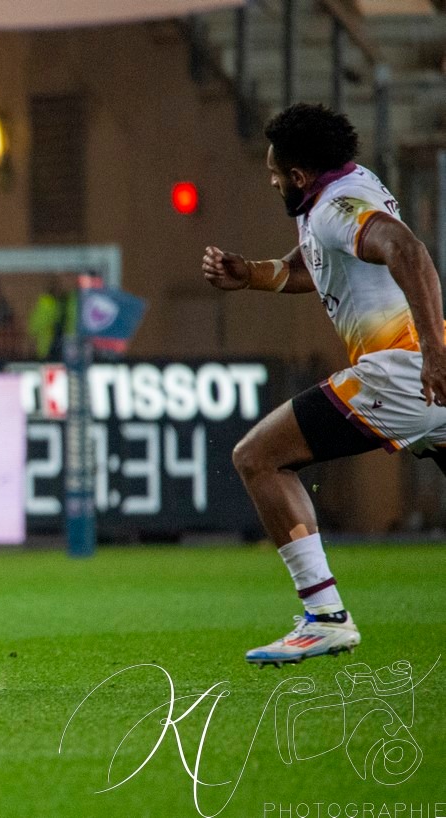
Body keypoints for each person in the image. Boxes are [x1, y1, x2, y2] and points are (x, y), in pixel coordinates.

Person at [202, 103, 446, 667]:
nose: (271, 182)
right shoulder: (339, 193)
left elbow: (408, 251)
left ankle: (325, 617)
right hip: (424, 375)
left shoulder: (336, 207)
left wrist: (432, 353)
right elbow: (313, 264)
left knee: (258, 457)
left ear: (298, 175)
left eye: (274, 174)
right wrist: (251, 274)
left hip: (401, 374)